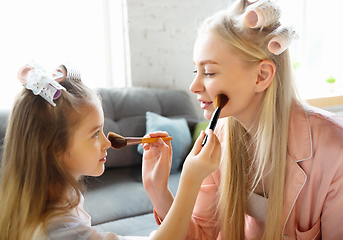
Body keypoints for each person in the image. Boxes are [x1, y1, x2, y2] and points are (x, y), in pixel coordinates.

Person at [142, 0, 343, 239]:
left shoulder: (335, 150)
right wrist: (159, 190)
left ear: (261, 76)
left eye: (209, 72)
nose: (194, 86)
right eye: (196, 70)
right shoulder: (218, 136)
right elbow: (201, 235)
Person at [0, 62, 221, 240]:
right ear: (54, 148)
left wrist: (156, 187)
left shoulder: (60, 198)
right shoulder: (57, 230)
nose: (107, 142)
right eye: (94, 133)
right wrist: (190, 180)